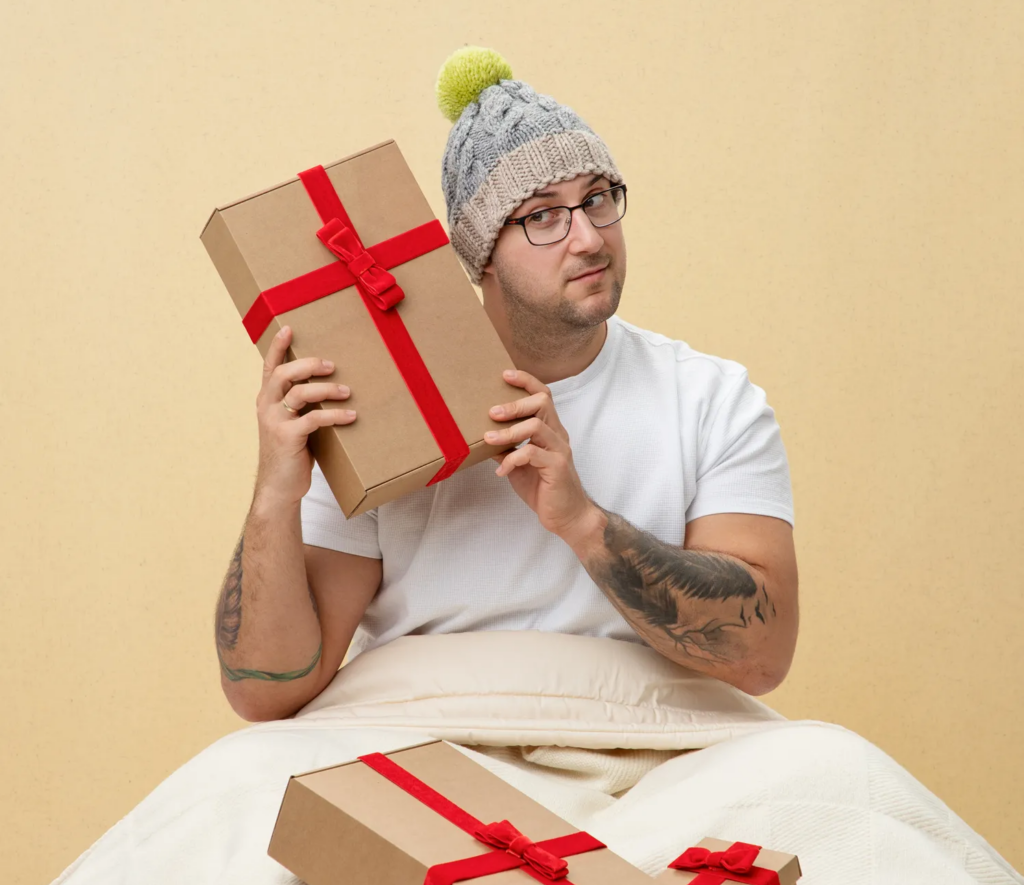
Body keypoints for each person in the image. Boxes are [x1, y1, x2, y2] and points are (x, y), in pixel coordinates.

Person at [213, 47, 799, 724]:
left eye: (598, 199)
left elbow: (764, 658)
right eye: (543, 215)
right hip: (430, 732)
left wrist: (581, 522)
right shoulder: (380, 409)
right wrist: (274, 496)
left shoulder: (712, 399)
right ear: (481, 255)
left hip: (652, 733)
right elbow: (267, 689)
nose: (588, 238)